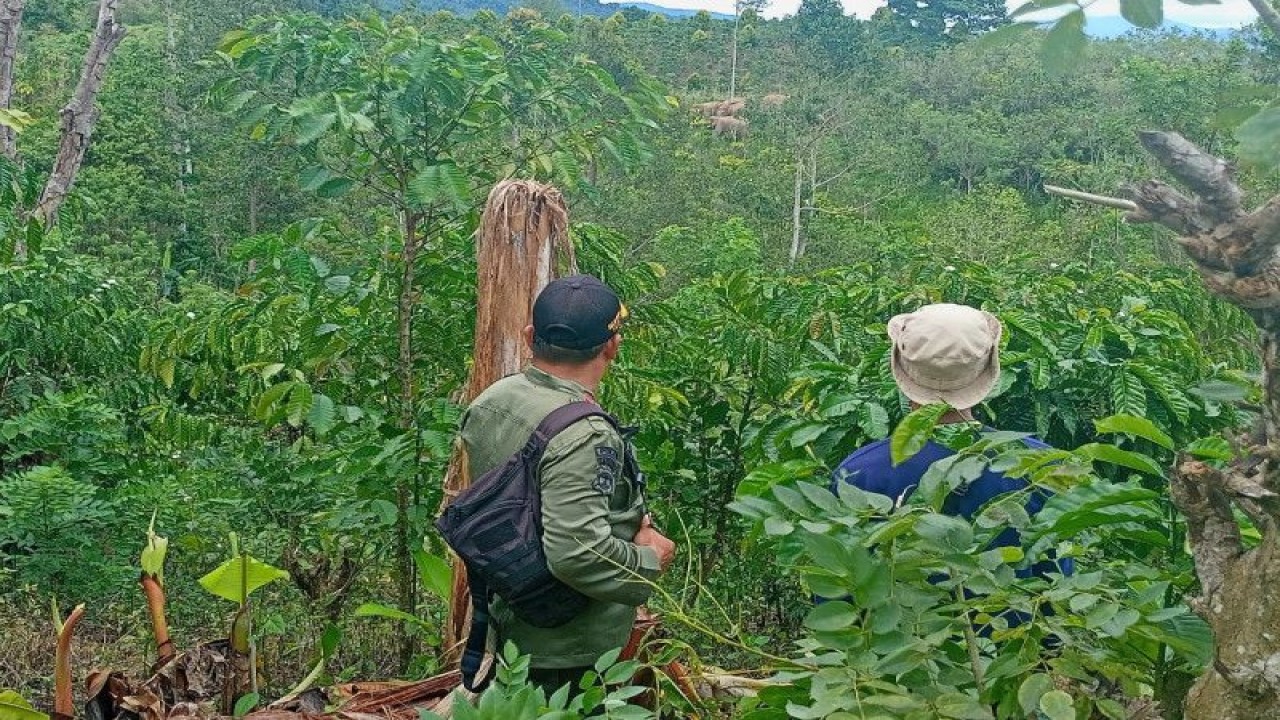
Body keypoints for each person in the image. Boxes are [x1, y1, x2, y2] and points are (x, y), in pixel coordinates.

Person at [457, 274, 677, 693]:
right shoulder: (584, 434)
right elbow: (576, 552)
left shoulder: (493, 401)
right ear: (612, 346)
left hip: (513, 620)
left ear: (529, 337)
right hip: (569, 650)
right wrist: (649, 558)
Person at [831, 303, 1073, 582]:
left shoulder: (858, 473)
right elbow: (1057, 583)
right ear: (989, 372)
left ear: (899, 368)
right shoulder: (1042, 465)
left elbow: (840, 585)